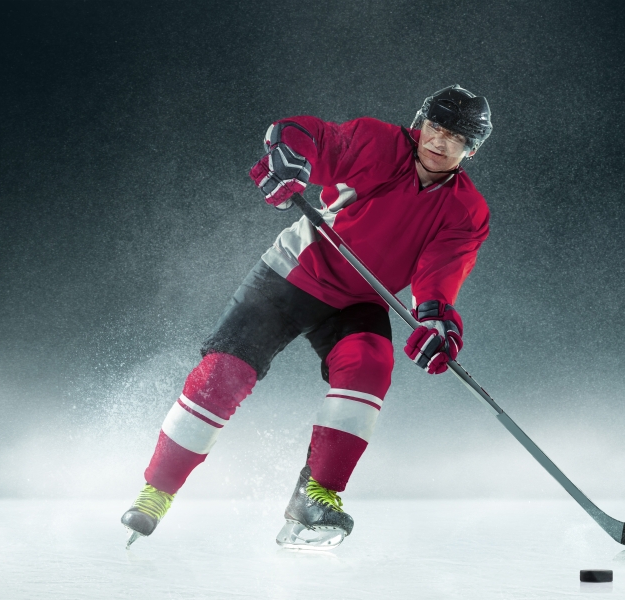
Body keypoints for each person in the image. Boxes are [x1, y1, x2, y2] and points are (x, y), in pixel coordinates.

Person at [120, 84, 493, 549]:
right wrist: (289, 157)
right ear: (421, 124)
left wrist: (437, 324)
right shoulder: (377, 143)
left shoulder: (468, 211)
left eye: (455, 137)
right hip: (295, 272)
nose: (439, 142)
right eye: (435, 128)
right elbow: (310, 136)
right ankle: (156, 491)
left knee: (371, 368)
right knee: (223, 375)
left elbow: (440, 273)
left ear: (471, 149)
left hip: (360, 300)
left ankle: (314, 498)